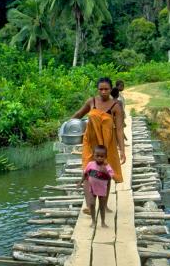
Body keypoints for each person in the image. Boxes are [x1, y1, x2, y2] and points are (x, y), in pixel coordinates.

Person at [72, 77, 125, 214]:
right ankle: (90, 206)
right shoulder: (92, 101)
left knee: (105, 174)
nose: (103, 91)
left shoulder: (116, 106)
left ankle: (104, 205)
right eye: (100, 89)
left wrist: (122, 151)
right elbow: (79, 114)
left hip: (107, 145)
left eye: (106, 89)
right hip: (90, 144)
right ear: (97, 89)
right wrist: (68, 125)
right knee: (88, 172)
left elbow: (119, 130)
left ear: (110, 89)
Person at [78, 145, 114, 228]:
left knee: (102, 207)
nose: (99, 158)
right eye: (97, 156)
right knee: (92, 204)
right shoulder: (90, 164)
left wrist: (106, 172)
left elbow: (110, 178)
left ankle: (103, 222)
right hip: (92, 189)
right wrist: (81, 182)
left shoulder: (107, 167)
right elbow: (85, 173)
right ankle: (93, 222)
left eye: (102, 156)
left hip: (102, 190)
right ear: (93, 155)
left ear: (105, 157)